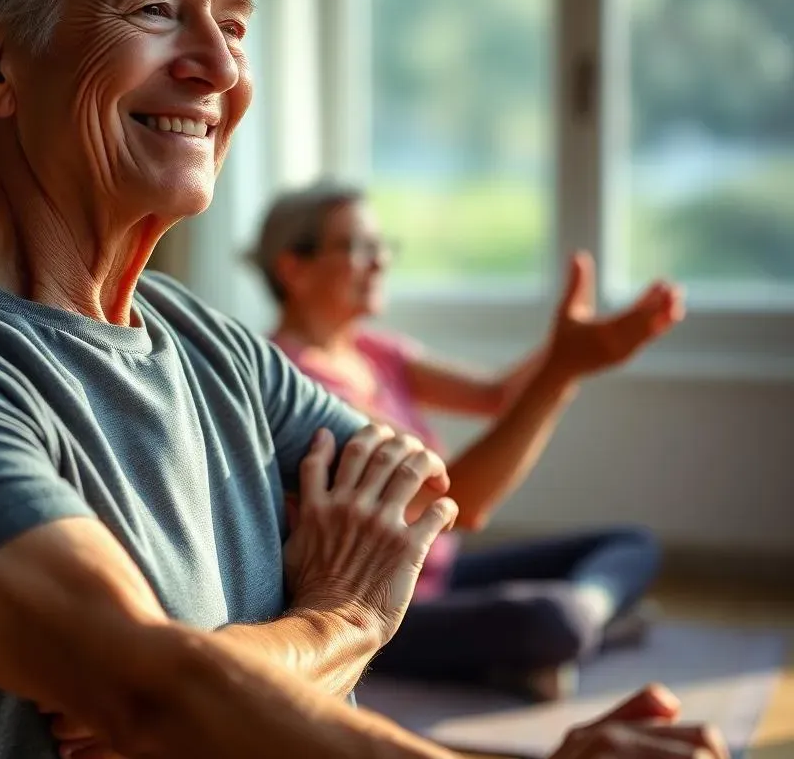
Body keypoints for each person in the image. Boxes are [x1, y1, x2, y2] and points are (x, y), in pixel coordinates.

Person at [0, 0, 726, 759]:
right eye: (157, 10)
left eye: (233, 26)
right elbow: (153, 697)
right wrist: (339, 619)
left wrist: (218, 682)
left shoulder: (215, 347)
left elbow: (422, 508)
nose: (222, 70)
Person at [250, 180, 679, 700]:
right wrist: (562, 369)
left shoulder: (375, 352)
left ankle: (570, 635)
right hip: (383, 601)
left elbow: (499, 395)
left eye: (382, 247)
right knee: (552, 618)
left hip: (441, 570)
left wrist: (582, 348)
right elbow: (463, 502)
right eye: (358, 247)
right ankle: (583, 630)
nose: (380, 262)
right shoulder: (296, 384)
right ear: (293, 267)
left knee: (631, 545)